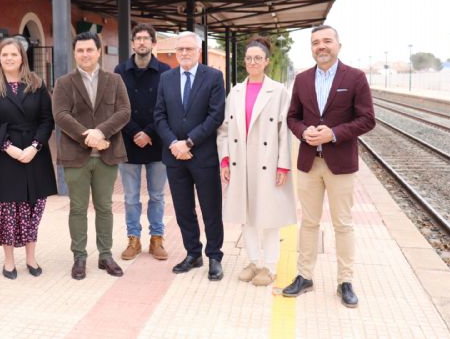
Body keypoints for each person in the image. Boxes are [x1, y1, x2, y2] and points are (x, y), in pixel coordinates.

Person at [282, 25, 375, 308]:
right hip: (309, 163)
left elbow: (367, 119)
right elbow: (292, 117)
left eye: (326, 41)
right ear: (311, 48)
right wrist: (303, 132)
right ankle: (304, 276)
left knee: (343, 224)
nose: (321, 46)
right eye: (315, 43)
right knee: (308, 222)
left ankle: (344, 281)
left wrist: (333, 134)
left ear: (338, 45)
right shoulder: (302, 79)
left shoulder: (356, 78)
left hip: (340, 164)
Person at [216, 37, 297, 287]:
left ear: (266, 62)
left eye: (258, 58)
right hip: (241, 162)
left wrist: (283, 165)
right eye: (249, 58)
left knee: (270, 215)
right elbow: (225, 129)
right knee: (246, 214)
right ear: (245, 62)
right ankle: (253, 262)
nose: (253, 62)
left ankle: (270, 267)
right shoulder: (236, 91)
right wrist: (225, 159)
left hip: (268, 162)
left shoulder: (278, 92)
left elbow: (285, 131)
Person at [52, 31, 131, 280]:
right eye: (80, 50)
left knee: (105, 207)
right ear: (75, 54)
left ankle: (105, 255)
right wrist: (88, 135)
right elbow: (61, 115)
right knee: (77, 208)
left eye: (89, 50)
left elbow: (124, 111)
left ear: (98, 52)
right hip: (76, 155)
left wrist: (100, 132)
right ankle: (79, 257)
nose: (85, 54)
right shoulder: (64, 82)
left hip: (107, 155)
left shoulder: (115, 80)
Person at [0, 37, 57, 280]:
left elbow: (47, 120)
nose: (9, 58)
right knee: (7, 210)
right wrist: (8, 147)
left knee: (33, 207)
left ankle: (31, 259)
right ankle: (9, 261)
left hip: (34, 154)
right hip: (3, 156)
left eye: (14, 54)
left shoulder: (37, 83)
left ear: (22, 57)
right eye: (5, 55)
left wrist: (35, 146)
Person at [154, 31, 226, 281]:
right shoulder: (166, 78)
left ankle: (214, 256)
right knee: (183, 209)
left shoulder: (214, 77)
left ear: (199, 51)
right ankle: (193, 253)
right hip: (174, 156)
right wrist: (174, 143)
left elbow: (216, 116)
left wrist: (190, 142)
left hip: (203, 155)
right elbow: (159, 116)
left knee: (211, 208)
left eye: (189, 49)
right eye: (180, 49)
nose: (184, 53)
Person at [114, 23, 171, 261]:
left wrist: (148, 132)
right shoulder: (120, 71)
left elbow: (167, 107)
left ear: (153, 43)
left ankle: (156, 239)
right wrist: (135, 132)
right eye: (137, 38)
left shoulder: (166, 72)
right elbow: (116, 107)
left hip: (157, 144)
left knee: (157, 196)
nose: (141, 42)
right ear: (133, 43)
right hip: (128, 144)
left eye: (146, 39)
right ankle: (133, 239)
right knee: (130, 197)